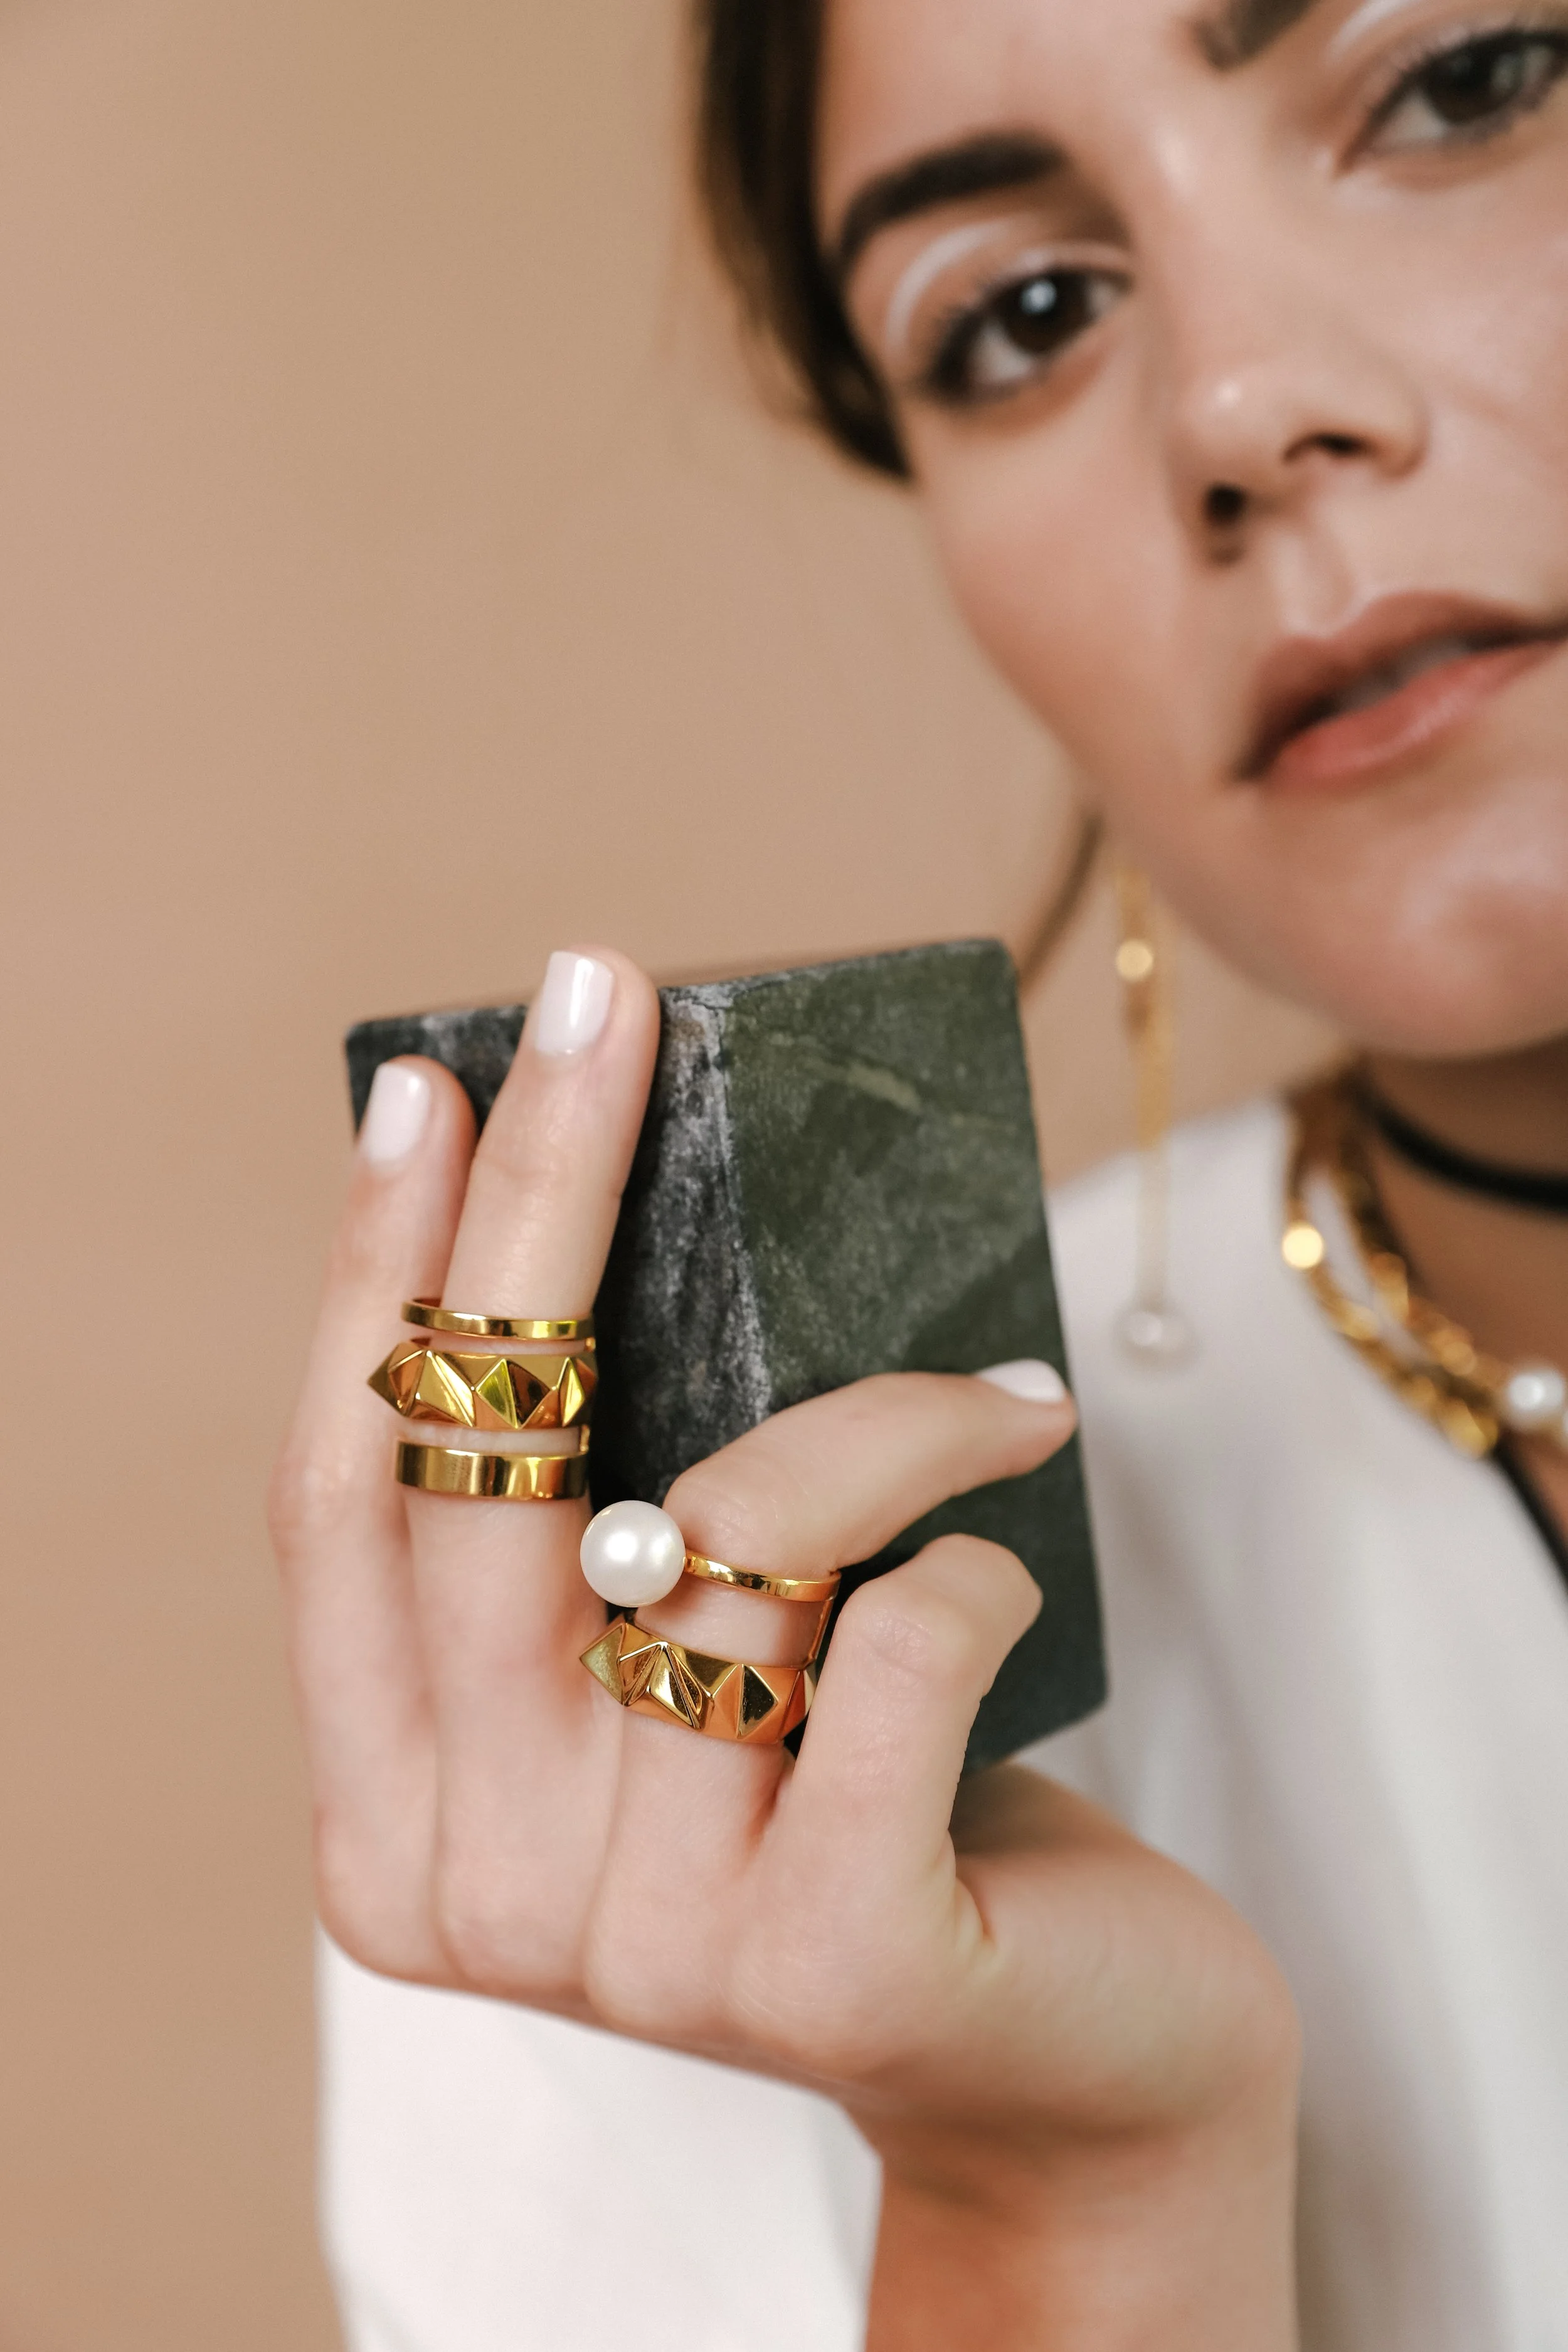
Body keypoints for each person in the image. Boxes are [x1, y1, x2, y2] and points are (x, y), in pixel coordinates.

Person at [271, 1, 1568, 2344]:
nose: (1240, 412)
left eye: (1463, 79)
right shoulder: (725, 1701)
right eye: (1022, 314)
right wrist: (1062, 2197)